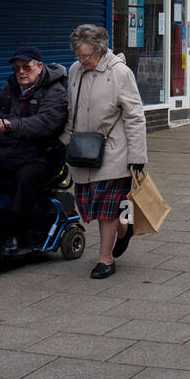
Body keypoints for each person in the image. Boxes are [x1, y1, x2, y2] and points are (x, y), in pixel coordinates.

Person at [0, 47, 68, 252]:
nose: (21, 72)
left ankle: (14, 235)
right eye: (17, 68)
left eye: (26, 67)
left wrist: (10, 125)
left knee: (24, 178)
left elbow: (45, 123)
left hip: (42, 156)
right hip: (12, 153)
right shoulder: (10, 87)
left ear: (39, 67)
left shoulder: (55, 91)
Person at [62, 24, 148, 280]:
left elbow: (135, 116)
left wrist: (137, 157)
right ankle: (125, 227)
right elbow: (71, 112)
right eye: (78, 55)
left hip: (113, 151)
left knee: (106, 209)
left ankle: (105, 259)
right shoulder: (75, 70)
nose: (82, 60)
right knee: (88, 204)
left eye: (87, 55)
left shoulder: (120, 73)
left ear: (100, 50)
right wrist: (65, 143)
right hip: (83, 151)